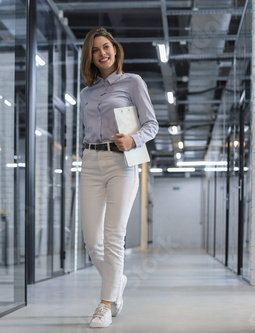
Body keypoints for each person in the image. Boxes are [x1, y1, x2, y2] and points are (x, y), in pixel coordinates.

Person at [79, 27, 159, 328]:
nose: (103, 53)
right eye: (96, 50)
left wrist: (134, 140)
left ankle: (105, 303)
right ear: (90, 57)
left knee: (114, 237)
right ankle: (117, 281)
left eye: (106, 47)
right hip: (90, 162)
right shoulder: (85, 93)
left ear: (115, 48)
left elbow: (151, 124)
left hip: (121, 163)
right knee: (92, 240)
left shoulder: (132, 82)